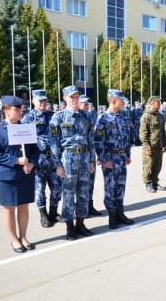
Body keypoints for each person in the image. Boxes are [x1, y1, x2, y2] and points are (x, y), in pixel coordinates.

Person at [0, 96, 38, 253]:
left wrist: (32, 163)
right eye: (16, 109)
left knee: (24, 207)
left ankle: (23, 236)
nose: (20, 112)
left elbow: (36, 151)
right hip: (7, 176)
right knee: (9, 208)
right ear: (6, 111)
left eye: (21, 109)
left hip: (25, 174)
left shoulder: (26, 128)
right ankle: (14, 239)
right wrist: (17, 160)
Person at [50, 85, 96, 240]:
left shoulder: (86, 116)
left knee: (83, 192)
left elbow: (91, 140)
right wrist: (57, 165)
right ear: (64, 98)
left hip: (84, 157)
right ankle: (70, 227)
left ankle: (81, 224)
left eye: (77, 97)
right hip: (67, 158)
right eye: (72, 97)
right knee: (68, 194)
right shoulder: (58, 117)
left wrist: (91, 160)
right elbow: (54, 142)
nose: (75, 100)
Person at [21, 89, 62, 228]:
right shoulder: (28, 118)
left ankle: (53, 212)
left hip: (53, 158)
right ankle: (43, 215)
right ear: (33, 101)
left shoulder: (53, 116)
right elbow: (24, 143)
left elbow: (59, 136)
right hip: (38, 159)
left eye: (45, 100)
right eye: (40, 101)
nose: (43, 103)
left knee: (57, 187)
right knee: (40, 190)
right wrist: (28, 160)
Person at [94, 89, 134, 229]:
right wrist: (104, 159)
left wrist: (128, 154)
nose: (123, 102)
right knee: (110, 187)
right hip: (110, 158)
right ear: (113, 101)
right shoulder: (103, 118)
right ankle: (112, 215)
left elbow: (127, 137)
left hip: (122, 157)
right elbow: (98, 141)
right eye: (121, 100)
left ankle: (120, 213)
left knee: (121, 186)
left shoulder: (123, 117)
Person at [139, 96, 166, 193]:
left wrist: (164, 143)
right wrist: (147, 147)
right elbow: (143, 133)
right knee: (148, 166)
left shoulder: (160, 116)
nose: (159, 105)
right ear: (152, 104)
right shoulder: (146, 116)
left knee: (157, 166)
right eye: (158, 103)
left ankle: (155, 182)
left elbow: (162, 131)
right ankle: (148, 183)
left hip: (159, 146)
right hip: (150, 146)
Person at [79, 96, 102, 216]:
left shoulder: (90, 117)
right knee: (80, 185)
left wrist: (95, 157)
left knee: (90, 182)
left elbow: (93, 139)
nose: (86, 106)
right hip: (78, 157)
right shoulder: (74, 117)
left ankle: (89, 205)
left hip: (90, 155)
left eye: (87, 104)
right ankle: (81, 209)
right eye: (83, 103)